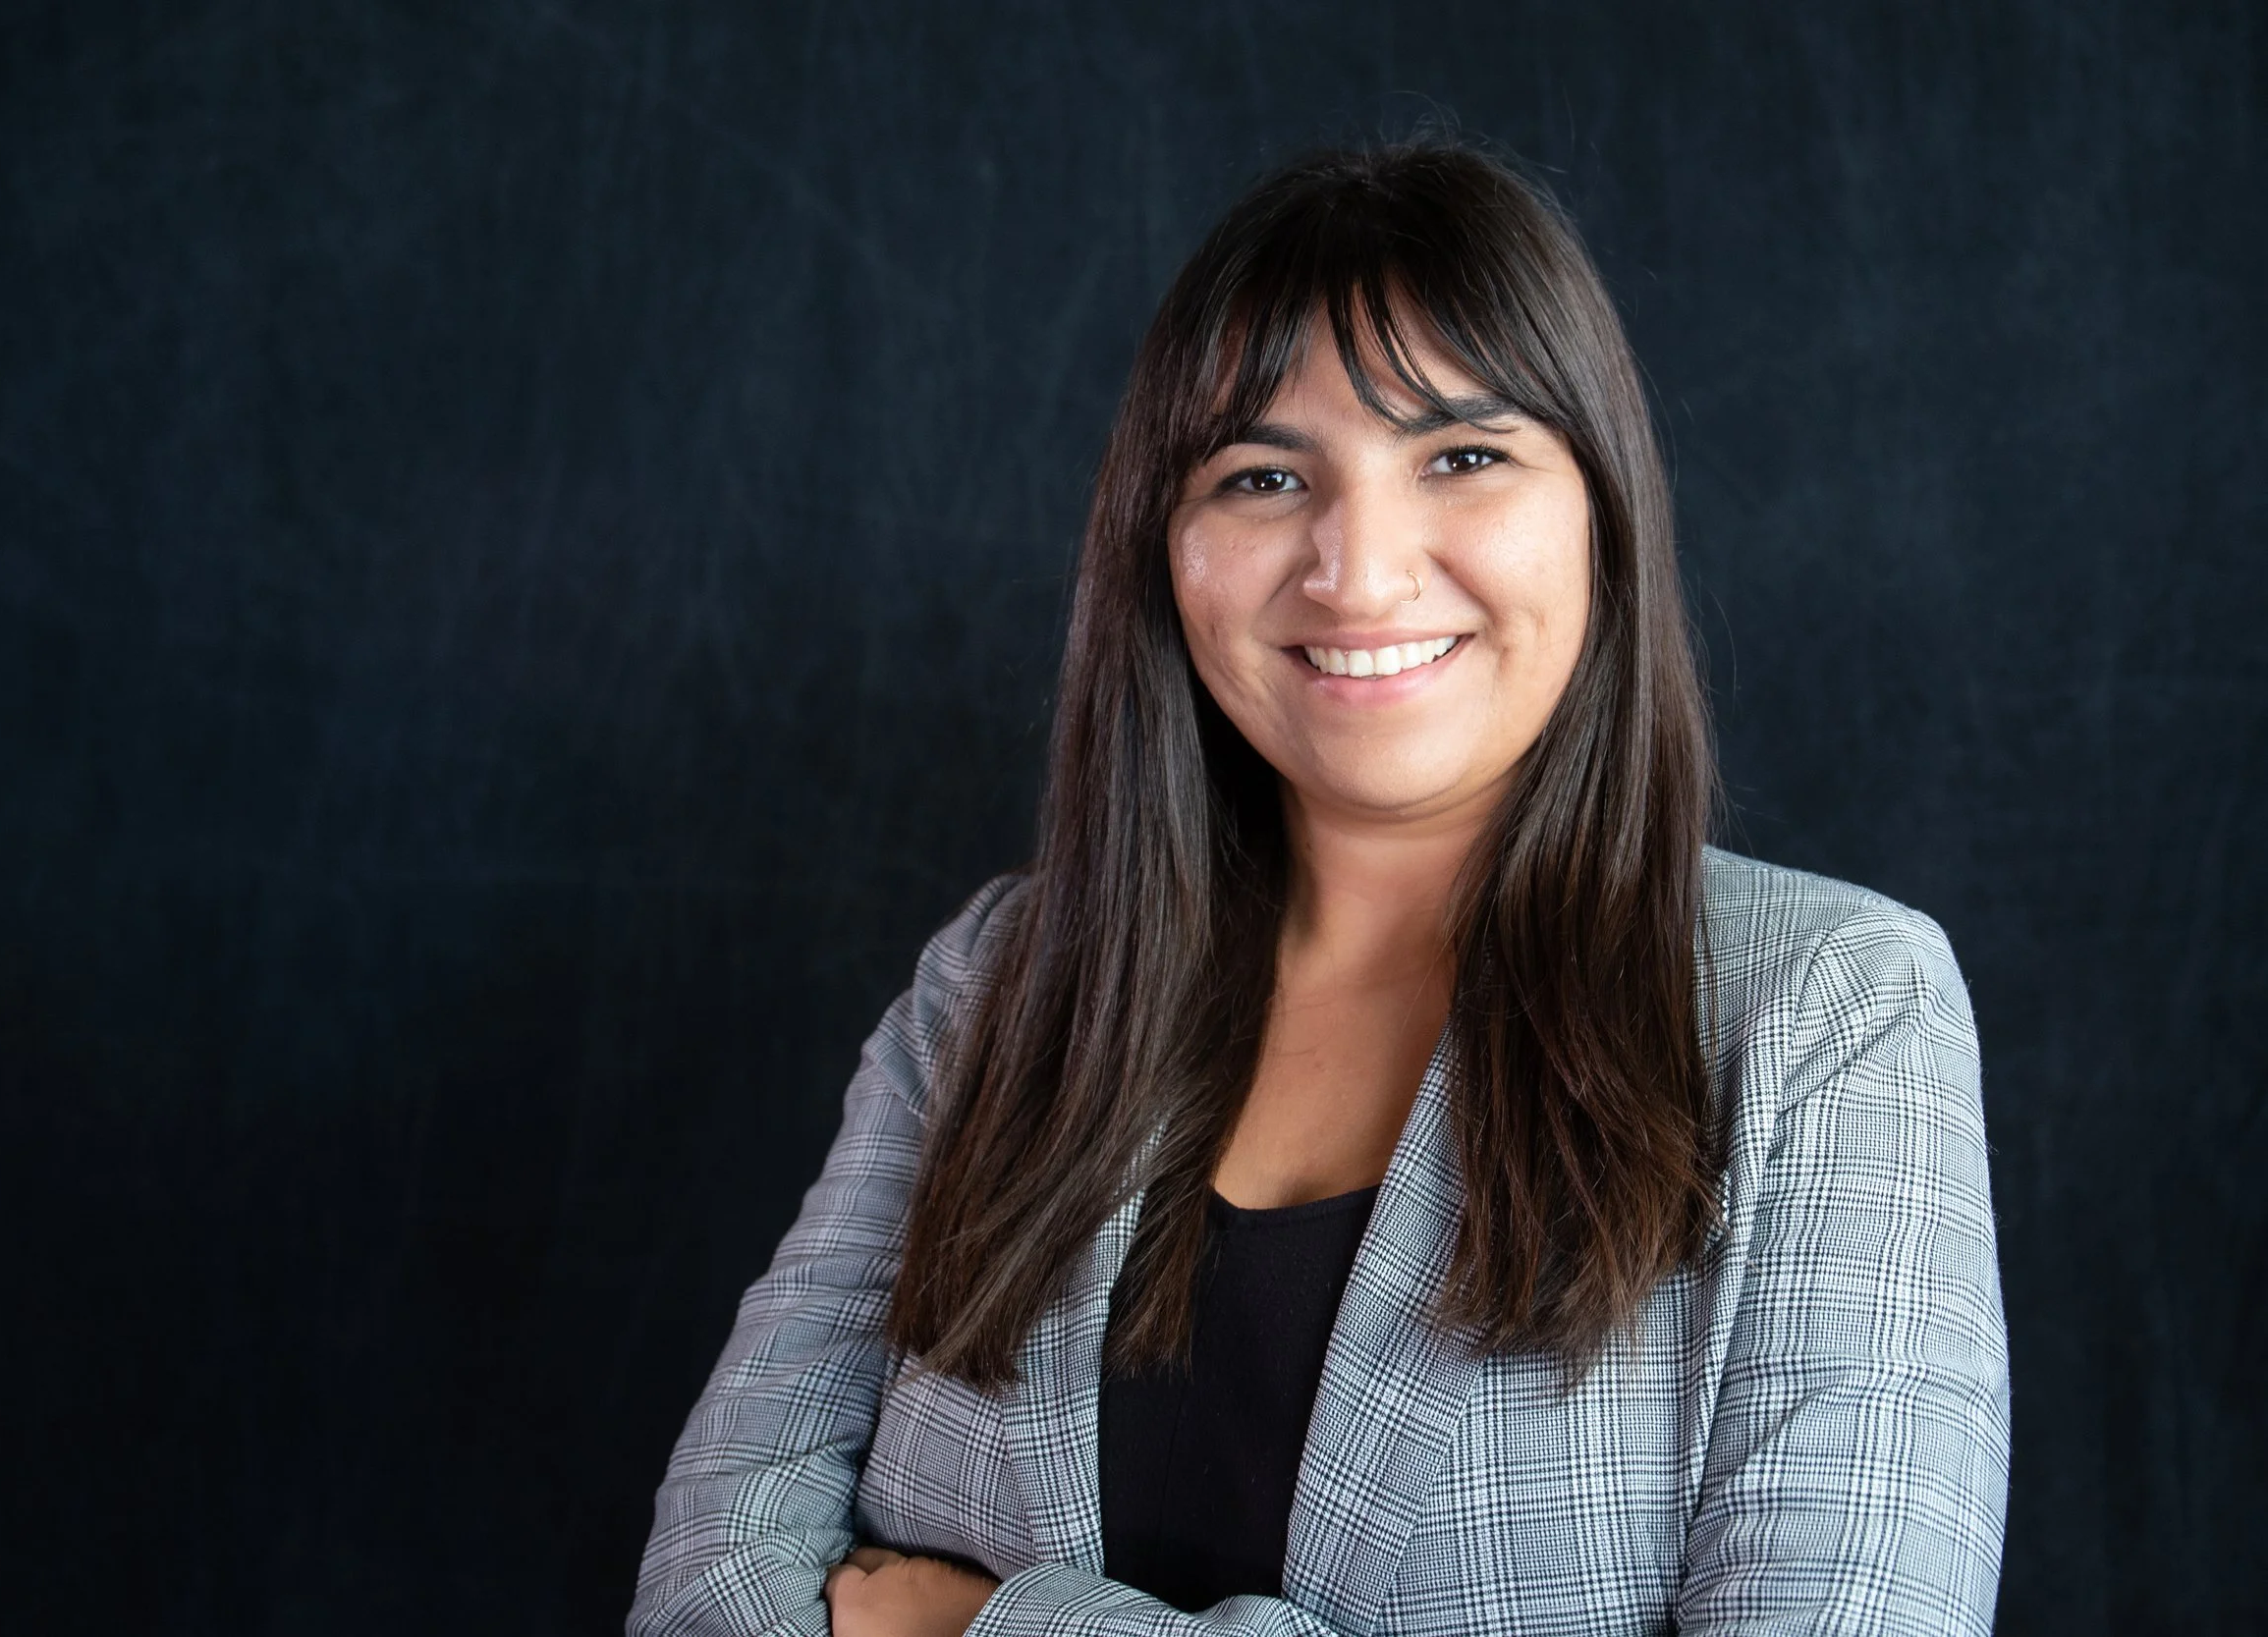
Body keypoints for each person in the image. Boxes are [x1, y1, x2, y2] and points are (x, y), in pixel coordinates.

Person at [629, 138, 2010, 1637]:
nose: (1357, 572)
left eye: (1462, 456)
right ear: (1162, 547)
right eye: (1266, 475)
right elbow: (709, 1572)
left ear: (1600, 505)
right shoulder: (1003, 982)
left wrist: (973, 1625)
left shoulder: (1829, 1013)